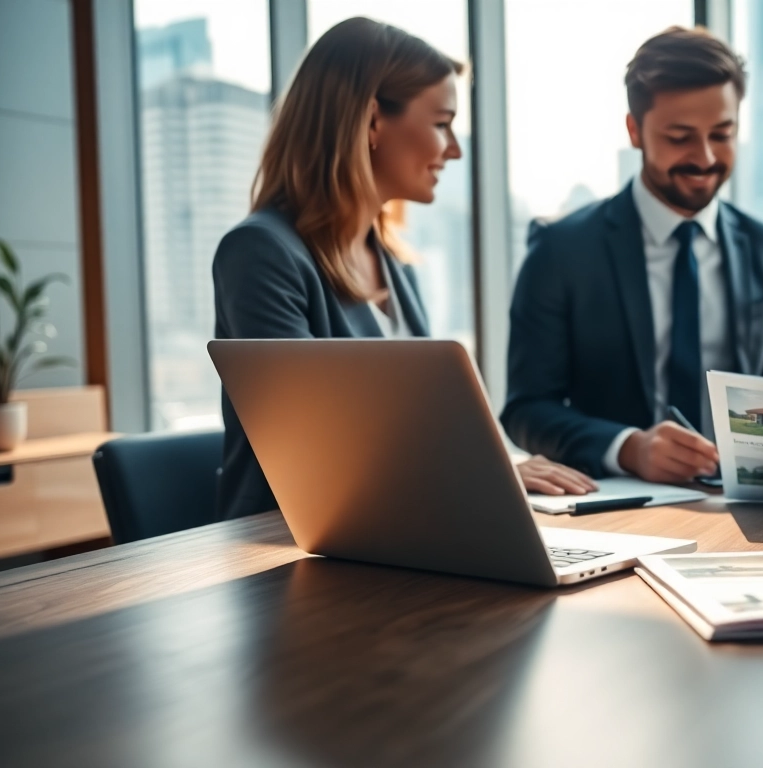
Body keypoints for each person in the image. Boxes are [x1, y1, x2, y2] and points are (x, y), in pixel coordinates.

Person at [213, 18, 595, 521]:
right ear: (372, 121)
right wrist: (485, 472)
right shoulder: (261, 253)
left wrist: (503, 465)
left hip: (397, 528)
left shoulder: (394, 267)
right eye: (441, 123)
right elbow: (314, 444)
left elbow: (428, 426)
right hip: (285, 550)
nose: (454, 149)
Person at [502, 27, 763, 484]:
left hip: (749, 502)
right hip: (622, 506)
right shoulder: (561, 250)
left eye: (722, 134)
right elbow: (526, 409)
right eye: (680, 137)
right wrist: (629, 447)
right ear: (634, 131)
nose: (704, 158)